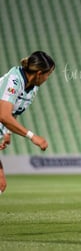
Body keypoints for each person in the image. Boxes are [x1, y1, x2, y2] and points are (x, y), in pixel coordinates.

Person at [0, 51, 55, 193]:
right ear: (39, 73)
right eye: (48, 74)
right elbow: (4, 116)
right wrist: (32, 136)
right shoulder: (14, 79)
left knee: (0, 183)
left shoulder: (33, 89)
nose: (47, 78)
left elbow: (13, 112)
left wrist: (7, 132)